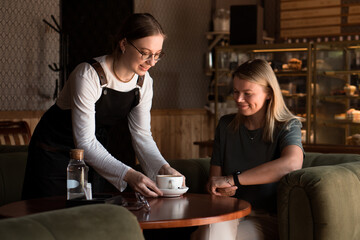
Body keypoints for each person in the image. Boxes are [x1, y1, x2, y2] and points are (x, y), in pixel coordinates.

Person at [22, 13, 183, 200]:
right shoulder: (88, 74)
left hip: (93, 155)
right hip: (53, 153)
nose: (152, 62)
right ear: (123, 44)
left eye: (157, 55)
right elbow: (84, 141)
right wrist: (129, 175)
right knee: (52, 218)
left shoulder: (144, 82)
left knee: (89, 219)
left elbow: (142, 136)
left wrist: (164, 168)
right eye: (145, 53)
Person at [191, 59, 304, 240]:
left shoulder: (288, 125)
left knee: (208, 236)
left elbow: (292, 164)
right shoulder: (226, 125)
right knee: (210, 233)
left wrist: (233, 180)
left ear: (268, 93)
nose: (239, 99)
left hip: (265, 217)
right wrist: (219, 189)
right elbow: (214, 181)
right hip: (228, 212)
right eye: (236, 92)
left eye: (247, 93)